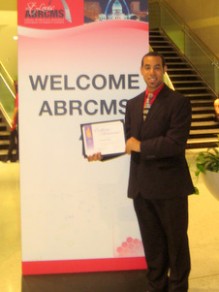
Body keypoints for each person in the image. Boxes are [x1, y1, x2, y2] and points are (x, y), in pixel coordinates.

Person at [88, 51, 195, 291]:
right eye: (147, 67)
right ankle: (156, 285)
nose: (152, 72)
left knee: (176, 242)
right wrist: (101, 152)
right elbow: (126, 141)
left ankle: (178, 286)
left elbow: (175, 143)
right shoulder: (133, 103)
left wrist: (141, 146)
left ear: (164, 69)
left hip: (170, 187)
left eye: (157, 67)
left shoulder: (179, 102)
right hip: (141, 186)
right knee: (153, 242)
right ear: (141, 70)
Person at [5, 80, 19, 162]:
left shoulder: (18, 96)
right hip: (18, 121)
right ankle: (14, 157)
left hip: (16, 121)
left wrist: (13, 120)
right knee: (15, 139)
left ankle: (9, 157)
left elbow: (16, 109)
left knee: (13, 139)